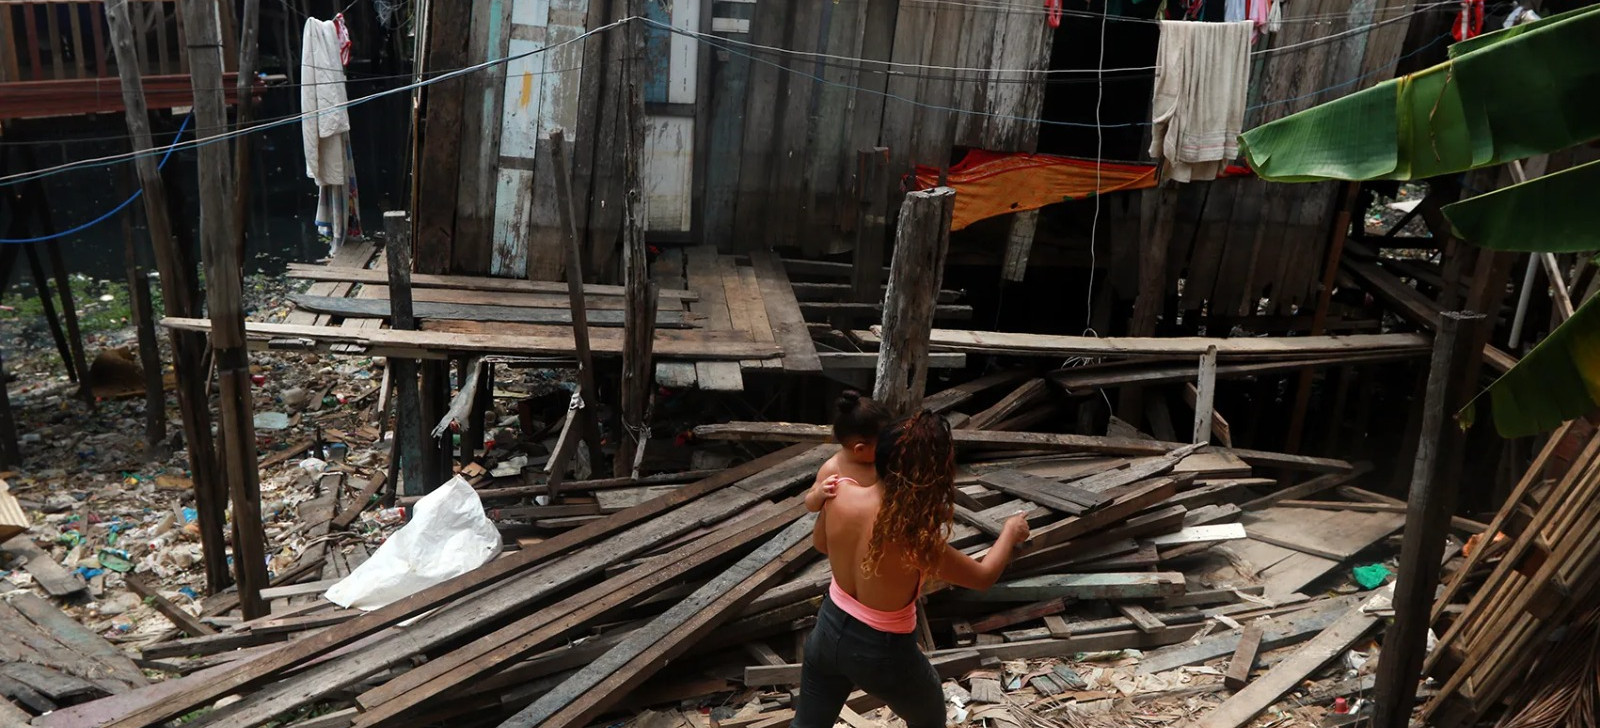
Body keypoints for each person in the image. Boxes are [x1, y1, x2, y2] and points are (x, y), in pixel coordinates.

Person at [794, 410, 1030, 728]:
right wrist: (1010, 532)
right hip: (882, 652)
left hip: (826, 629)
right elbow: (983, 576)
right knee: (929, 718)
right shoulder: (913, 537)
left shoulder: (841, 491)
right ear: (930, 477)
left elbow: (821, 544)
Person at [805, 391, 893, 513]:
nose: (886, 446)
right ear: (860, 449)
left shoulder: (879, 460)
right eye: (882, 443)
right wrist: (819, 494)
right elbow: (810, 505)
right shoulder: (832, 469)